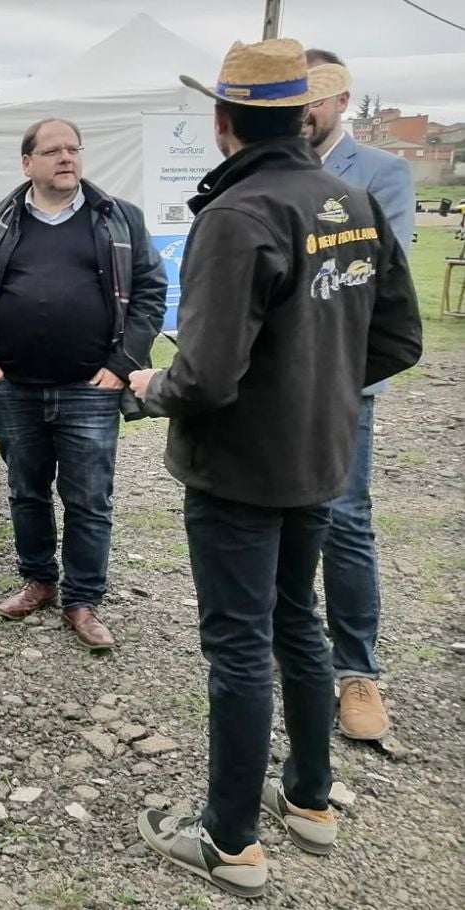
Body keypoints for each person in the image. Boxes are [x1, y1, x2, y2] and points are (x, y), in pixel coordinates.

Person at [127, 39, 421, 897]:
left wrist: (151, 386)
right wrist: (319, 385)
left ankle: (229, 839)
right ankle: (310, 800)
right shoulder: (352, 199)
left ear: (221, 121)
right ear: (303, 114)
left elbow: (208, 375)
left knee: (241, 644)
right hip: (320, 456)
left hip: (242, 469)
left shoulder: (240, 213)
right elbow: (398, 340)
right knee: (298, 624)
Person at [0, 118, 166, 650]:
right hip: (14, 387)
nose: (66, 158)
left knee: (90, 497)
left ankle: (84, 599)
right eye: (52, 151)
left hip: (90, 389)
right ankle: (39, 580)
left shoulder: (118, 218)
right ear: (28, 163)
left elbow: (150, 294)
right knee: (27, 490)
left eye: (73, 149)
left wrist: (122, 364)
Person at [304, 48, 415, 742]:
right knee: (276, 523)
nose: (305, 110)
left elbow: (375, 281)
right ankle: (280, 653)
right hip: (270, 388)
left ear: (344, 100)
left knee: (343, 520)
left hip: (342, 384)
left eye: (317, 96)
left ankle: (356, 671)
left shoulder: (382, 174)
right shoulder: (264, 169)